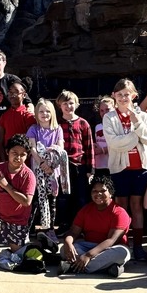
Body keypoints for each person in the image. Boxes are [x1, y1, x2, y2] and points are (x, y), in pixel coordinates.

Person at [102, 78, 147, 261]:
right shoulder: (109, 117)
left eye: (127, 94)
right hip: (120, 168)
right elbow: (115, 144)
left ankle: (139, 246)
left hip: (140, 168)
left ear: (134, 95)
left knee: (137, 206)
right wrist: (136, 136)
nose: (124, 98)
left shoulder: (143, 116)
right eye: (120, 95)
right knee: (121, 206)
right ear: (114, 96)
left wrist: (137, 123)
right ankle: (121, 243)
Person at [60, 175, 131, 277]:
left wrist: (88, 256)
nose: (98, 194)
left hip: (111, 248)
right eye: (95, 191)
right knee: (64, 249)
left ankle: (73, 267)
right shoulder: (86, 210)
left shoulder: (119, 212)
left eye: (103, 191)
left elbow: (111, 241)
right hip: (89, 246)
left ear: (110, 193)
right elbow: (73, 232)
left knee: (122, 253)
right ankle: (107, 268)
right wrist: (68, 242)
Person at [26, 98, 66, 237]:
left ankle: (50, 228)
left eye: (48, 111)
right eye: (41, 111)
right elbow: (32, 148)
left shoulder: (57, 129)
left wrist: (51, 165)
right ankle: (30, 228)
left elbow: (60, 147)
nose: (44, 114)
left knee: (52, 198)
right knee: (37, 198)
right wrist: (42, 164)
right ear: (36, 113)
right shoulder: (33, 129)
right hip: (38, 169)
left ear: (53, 113)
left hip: (53, 169)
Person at [57, 89, 93, 229]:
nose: (68, 106)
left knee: (81, 197)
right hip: (62, 166)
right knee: (63, 197)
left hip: (80, 165)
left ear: (77, 104)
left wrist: (91, 169)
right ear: (60, 106)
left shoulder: (83, 123)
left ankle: (81, 226)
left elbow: (89, 147)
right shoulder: (57, 124)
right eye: (64, 103)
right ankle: (63, 224)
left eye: (71, 103)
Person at [0, 77, 34, 150]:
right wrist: (3, 158)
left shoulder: (28, 116)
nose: (12, 95)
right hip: (8, 157)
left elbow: (32, 141)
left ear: (24, 95)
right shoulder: (4, 116)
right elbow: (0, 142)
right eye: (10, 92)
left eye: (16, 92)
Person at [92, 96, 114, 177]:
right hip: (99, 165)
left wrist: (102, 150)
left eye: (107, 109)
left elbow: (118, 145)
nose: (104, 113)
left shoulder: (117, 126)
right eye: (101, 110)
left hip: (112, 165)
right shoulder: (97, 127)